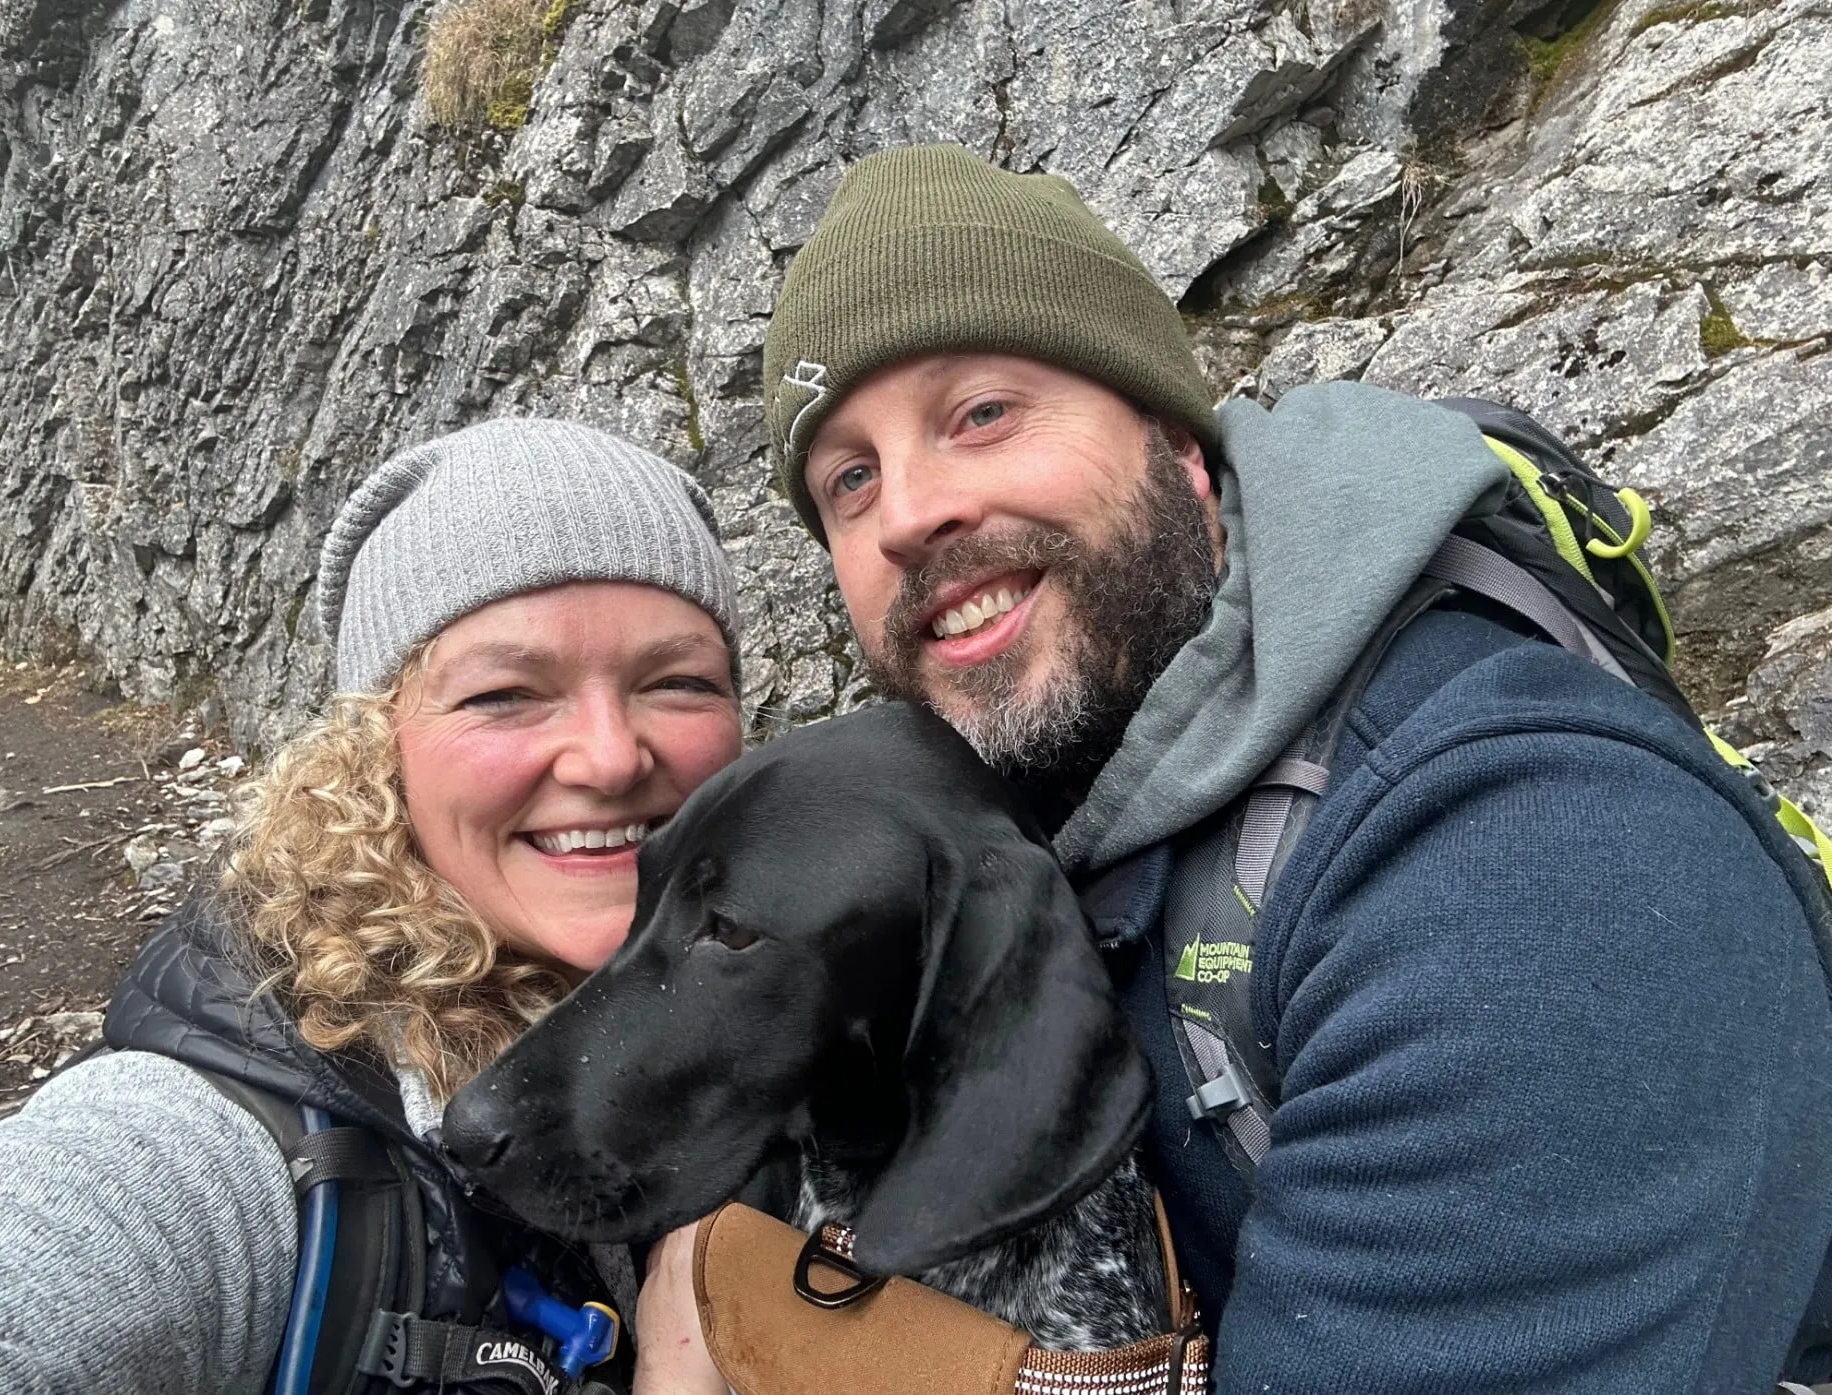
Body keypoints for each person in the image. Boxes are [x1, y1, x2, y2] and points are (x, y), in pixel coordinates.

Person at [702, 143, 1832, 1391]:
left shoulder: (1527, 860)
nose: (907, 512)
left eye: (981, 413)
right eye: (848, 480)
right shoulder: (1049, 815)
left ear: (1181, 451)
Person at [0, 418, 739, 1395]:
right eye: (506, 693)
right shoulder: (210, 1159)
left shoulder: (794, 1022)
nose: (612, 755)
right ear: (380, 752)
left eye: (678, 683)